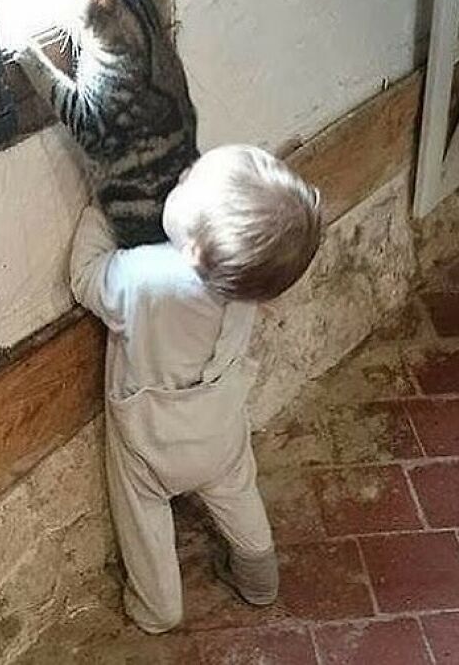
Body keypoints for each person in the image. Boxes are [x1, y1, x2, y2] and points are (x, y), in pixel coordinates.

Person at [70, 144, 322, 633]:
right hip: (219, 426)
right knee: (237, 491)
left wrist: (105, 205)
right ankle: (259, 578)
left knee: (143, 520)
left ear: (194, 248)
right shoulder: (244, 280)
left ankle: (158, 610)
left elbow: (84, 277)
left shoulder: (144, 276)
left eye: (187, 182)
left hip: (151, 440)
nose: (182, 173)